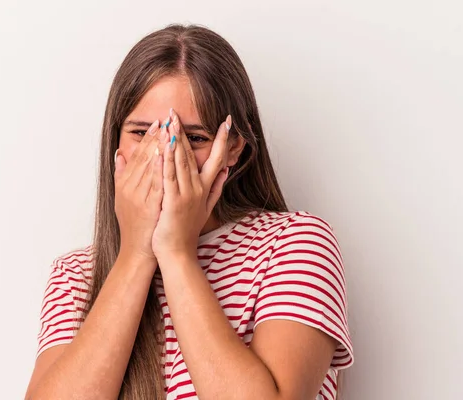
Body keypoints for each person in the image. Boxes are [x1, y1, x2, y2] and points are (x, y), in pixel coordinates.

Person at [25, 24, 353, 400]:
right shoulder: (76, 278)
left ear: (231, 149)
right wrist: (136, 255)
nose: (166, 154)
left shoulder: (296, 245)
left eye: (194, 138)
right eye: (142, 133)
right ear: (115, 143)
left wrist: (177, 254)